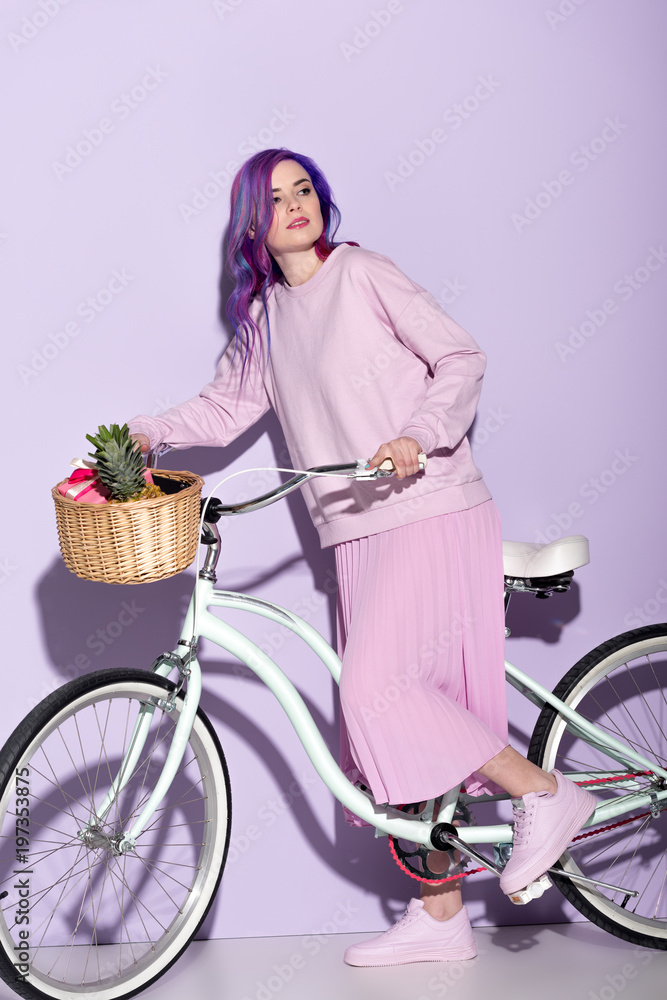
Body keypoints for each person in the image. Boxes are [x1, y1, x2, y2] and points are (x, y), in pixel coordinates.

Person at [128, 148, 596, 966]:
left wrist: (419, 435)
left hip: (429, 507)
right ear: (252, 224)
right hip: (351, 531)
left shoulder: (365, 274)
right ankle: (442, 914)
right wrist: (149, 433)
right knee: (398, 724)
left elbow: (460, 356)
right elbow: (225, 404)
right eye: (273, 199)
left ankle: (546, 793)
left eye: (302, 189)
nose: (294, 205)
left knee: (381, 695)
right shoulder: (267, 319)